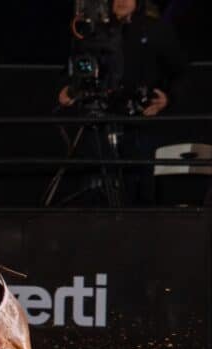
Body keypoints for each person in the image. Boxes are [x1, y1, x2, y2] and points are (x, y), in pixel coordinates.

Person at [55, 0, 187, 206]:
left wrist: (167, 99)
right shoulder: (91, 30)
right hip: (99, 122)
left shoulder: (156, 30)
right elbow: (76, 66)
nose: (122, 1)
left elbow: (181, 73)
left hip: (142, 123)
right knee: (97, 188)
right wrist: (67, 88)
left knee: (141, 191)